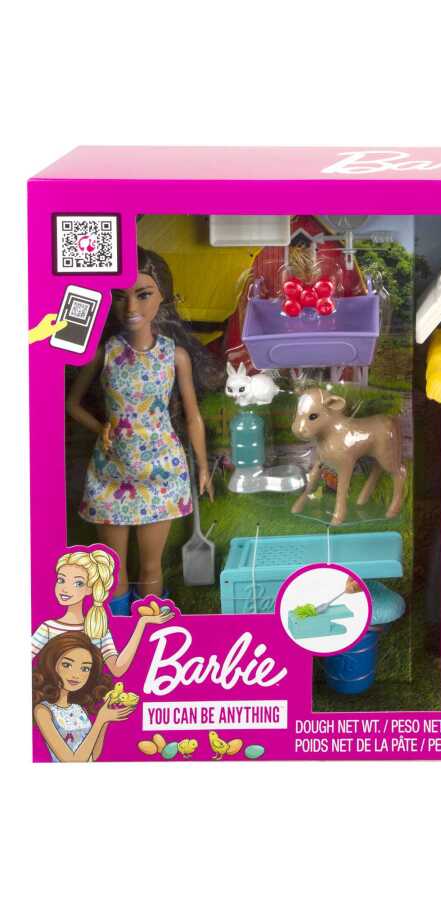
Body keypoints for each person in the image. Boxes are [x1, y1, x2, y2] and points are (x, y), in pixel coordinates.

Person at [66, 247, 220, 606]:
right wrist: (100, 428)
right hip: (110, 473)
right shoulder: (105, 353)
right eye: (120, 296)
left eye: (144, 294)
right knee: (113, 569)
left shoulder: (174, 355)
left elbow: (193, 416)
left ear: (163, 296)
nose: (131, 307)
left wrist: (202, 467)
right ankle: (115, 634)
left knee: (151, 568)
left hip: (160, 473)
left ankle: (150, 632)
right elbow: (70, 403)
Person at [31, 548, 172, 676]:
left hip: (89, 694)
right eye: (61, 580)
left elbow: (118, 669)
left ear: (90, 589)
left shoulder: (98, 630)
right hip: (53, 692)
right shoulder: (48, 628)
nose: (65, 589)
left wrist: (142, 622)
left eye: (78, 583)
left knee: (148, 565)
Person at [32, 632, 134, 762]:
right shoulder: (43, 711)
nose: (76, 675)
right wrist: (100, 720)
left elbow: (94, 755)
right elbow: (72, 762)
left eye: (85, 668)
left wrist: (105, 721)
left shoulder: (79, 708)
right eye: (67, 665)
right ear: (51, 664)